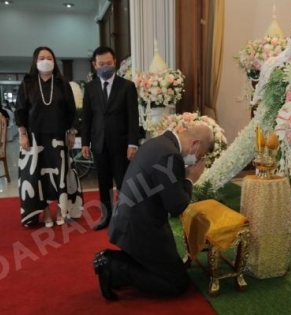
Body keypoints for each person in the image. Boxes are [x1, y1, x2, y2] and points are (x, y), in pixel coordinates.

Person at [92, 125, 215, 301]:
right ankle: (113, 267)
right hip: (139, 228)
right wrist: (190, 179)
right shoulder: (170, 156)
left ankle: (114, 261)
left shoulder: (159, 143)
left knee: (172, 269)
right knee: (177, 282)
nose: (197, 160)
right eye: (200, 155)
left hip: (129, 220)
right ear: (195, 143)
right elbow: (176, 206)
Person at [14, 46, 83, 228]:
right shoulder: (27, 84)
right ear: (35, 61)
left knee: (60, 175)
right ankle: (45, 213)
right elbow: (20, 110)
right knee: (38, 177)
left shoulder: (62, 83)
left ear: (54, 61)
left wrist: (72, 132)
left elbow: (71, 111)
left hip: (58, 138)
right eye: (41, 57)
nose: (45, 60)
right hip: (34, 139)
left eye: (49, 57)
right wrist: (22, 134)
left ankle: (61, 210)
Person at [81, 46, 140, 231]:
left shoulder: (127, 86)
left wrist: (133, 143)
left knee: (123, 182)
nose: (105, 66)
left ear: (115, 62)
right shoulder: (90, 88)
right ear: (94, 65)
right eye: (101, 64)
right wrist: (85, 142)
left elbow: (133, 117)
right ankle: (106, 215)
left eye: (108, 63)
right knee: (104, 182)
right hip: (99, 144)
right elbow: (87, 117)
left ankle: (124, 217)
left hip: (122, 144)